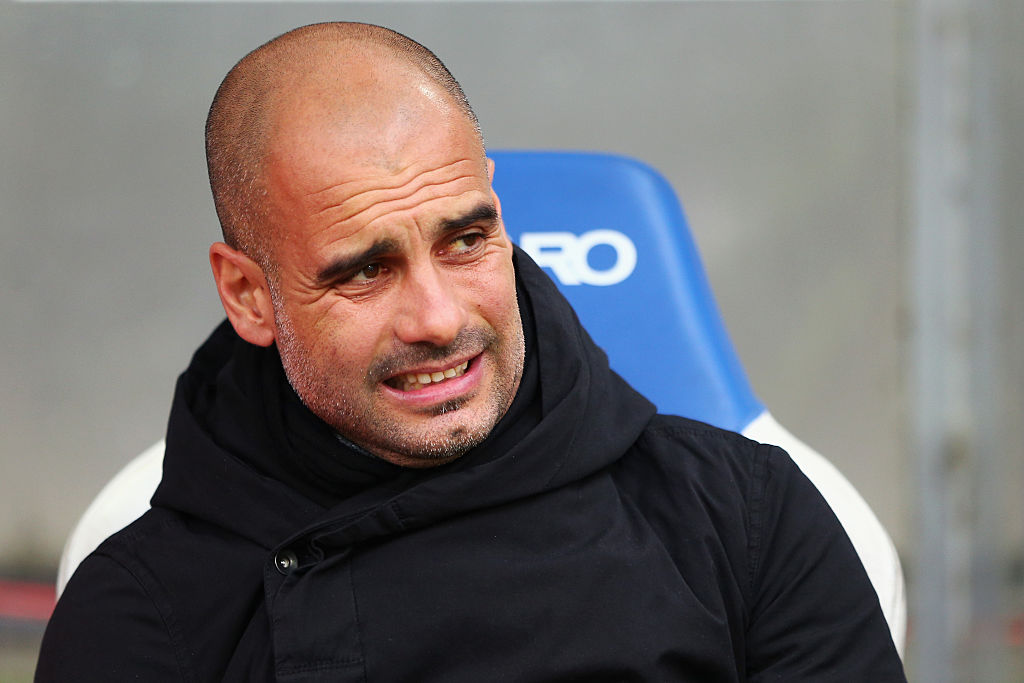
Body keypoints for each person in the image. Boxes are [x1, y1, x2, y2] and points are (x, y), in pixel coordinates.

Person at [37, 22, 905, 681]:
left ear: (497, 207)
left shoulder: (746, 520)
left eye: (465, 240)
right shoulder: (140, 615)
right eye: (365, 270)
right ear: (247, 296)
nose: (438, 317)